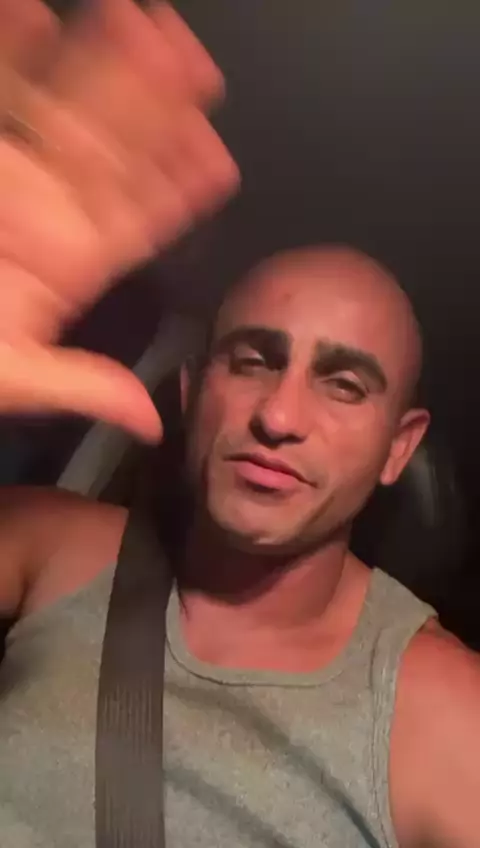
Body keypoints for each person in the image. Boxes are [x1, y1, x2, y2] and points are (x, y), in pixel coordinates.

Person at [0, 1, 478, 847]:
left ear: (399, 447)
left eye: (343, 385)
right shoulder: (51, 547)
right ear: (192, 391)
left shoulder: (446, 717)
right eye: (253, 361)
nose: (279, 417)